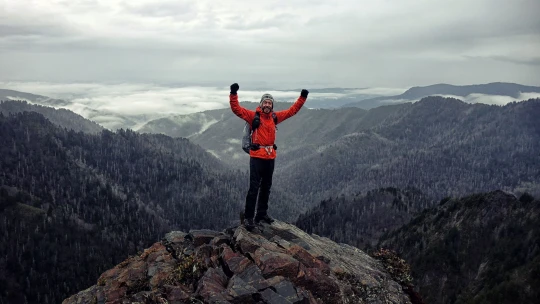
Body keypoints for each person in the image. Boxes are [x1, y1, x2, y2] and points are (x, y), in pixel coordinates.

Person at [229, 83, 309, 230]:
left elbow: (292, 111)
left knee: (266, 188)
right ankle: (248, 218)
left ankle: (261, 214)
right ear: (261, 104)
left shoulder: (274, 117)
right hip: (256, 157)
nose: (267, 104)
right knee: (253, 188)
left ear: (272, 106)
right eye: (265, 102)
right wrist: (233, 93)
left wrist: (302, 98)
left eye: (269, 103)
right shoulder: (253, 116)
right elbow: (237, 110)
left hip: (270, 157)